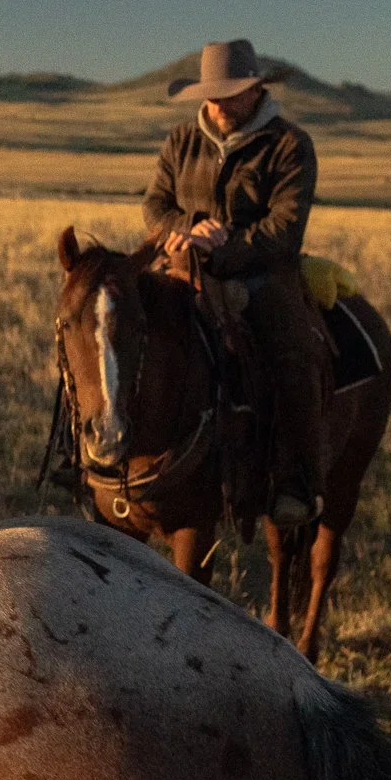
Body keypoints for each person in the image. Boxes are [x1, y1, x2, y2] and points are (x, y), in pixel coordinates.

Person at [144, 38, 329, 527]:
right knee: (120, 328)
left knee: (293, 352)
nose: (218, 104)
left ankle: (296, 480)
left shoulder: (290, 145)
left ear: (255, 90)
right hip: (184, 262)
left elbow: (285, 227)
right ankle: (100, 459)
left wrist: (222, 246)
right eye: (212, 95)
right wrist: (187, 230)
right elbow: (155, 206)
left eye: (229, 94)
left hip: (262, 272)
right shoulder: (181, 141)